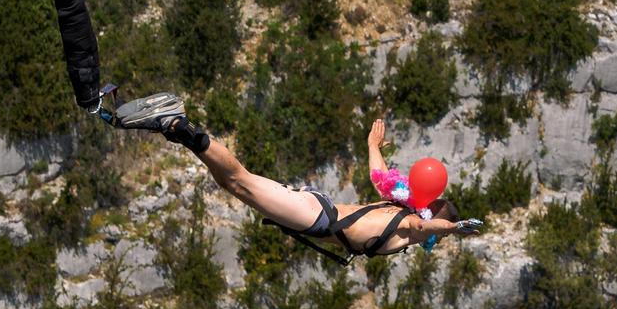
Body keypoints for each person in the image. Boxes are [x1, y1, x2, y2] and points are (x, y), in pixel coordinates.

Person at [113, 92, 482, 265]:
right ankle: (176, 123)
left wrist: (372, 144)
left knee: (235, 183)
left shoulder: (401, 216)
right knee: (239, 182)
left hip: (316, 209)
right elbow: (420, 219)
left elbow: (379, 176)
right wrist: (455, 227)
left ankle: (175, 129)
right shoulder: (410, 227)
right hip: (317, 217)